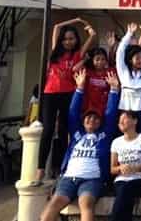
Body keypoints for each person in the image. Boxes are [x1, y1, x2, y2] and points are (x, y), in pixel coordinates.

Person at [39, 69, 119, 221]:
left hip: (92, 179)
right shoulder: (76, 133)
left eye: (96, 119)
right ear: (83, 121)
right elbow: (72, 112)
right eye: (88, 118)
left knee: (86, 204)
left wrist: (114, 90)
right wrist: (80, 88)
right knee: (53, 204)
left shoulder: (104, 135)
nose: (92, 120)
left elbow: (110, 113)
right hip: (68, 178)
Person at [37, 17, 96, 182]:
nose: (68, 42)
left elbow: (92, 37)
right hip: (50, 93)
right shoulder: (55, 52)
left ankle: (62, 168)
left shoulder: (78, 55)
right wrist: (76, 20)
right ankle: (40, 170)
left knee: (64, 131)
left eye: (71, 39)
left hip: (68, 94)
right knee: (48, 129)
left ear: (76, 40)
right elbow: (56, 26)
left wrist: (87, 28)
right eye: (66, 39)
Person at [110, 110, 141, 221]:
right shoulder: (116, 142)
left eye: (124, 118)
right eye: (119, 120)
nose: (121, 122)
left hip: (140, 179)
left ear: (135, 121)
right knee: (124, 192)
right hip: (121, 180)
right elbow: (112, 169)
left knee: (125, 192)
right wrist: (120, 168)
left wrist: (135, 167)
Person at [82, 47, 114, 115]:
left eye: (103, 59)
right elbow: (75, 69)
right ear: (92, 61)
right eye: (97, 59)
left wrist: (111, 48)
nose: (100, 62)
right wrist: (85, 59)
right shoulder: (88, 72)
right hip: (89, 109)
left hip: (106, 109)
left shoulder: (110, 72)